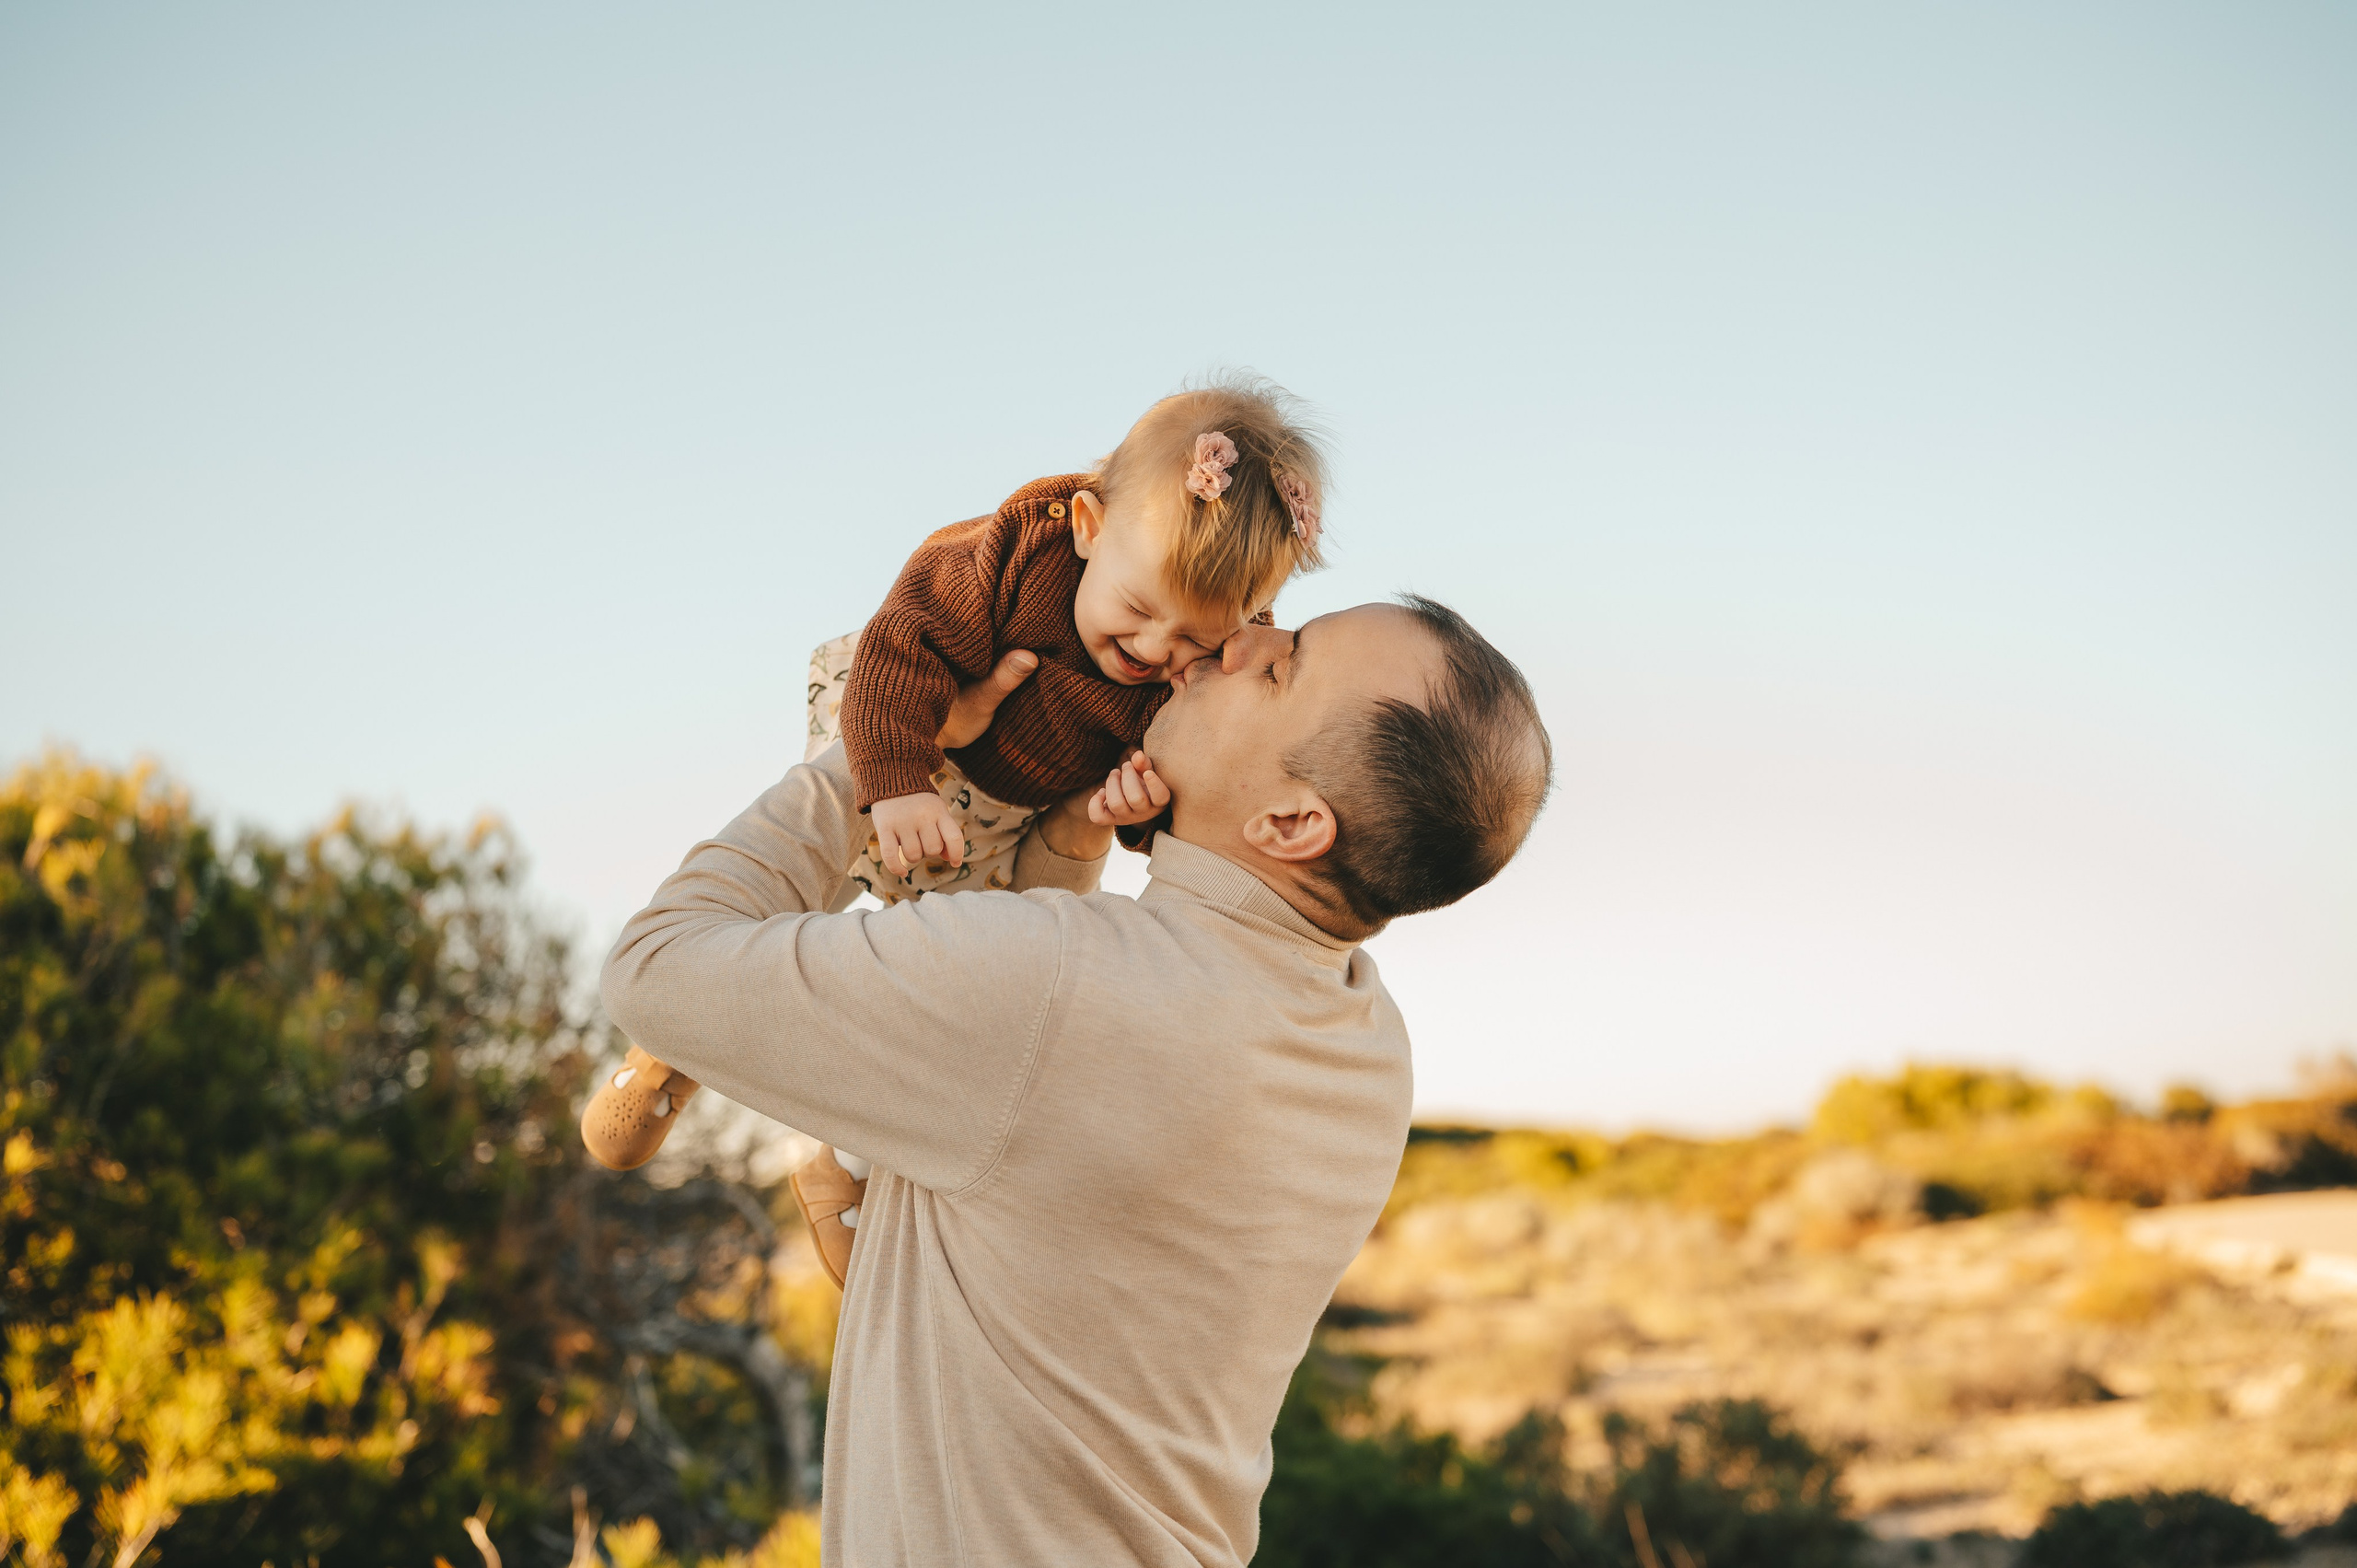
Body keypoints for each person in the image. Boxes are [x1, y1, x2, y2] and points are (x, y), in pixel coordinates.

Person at [601, 595, 1552, 1566]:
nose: (1242, 638)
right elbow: (1057, 1098)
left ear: (1294, 820)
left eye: (1281, 666)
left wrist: (884, 750)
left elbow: (656, 969)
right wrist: (1082, 824)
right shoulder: (1364, 1042)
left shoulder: (1059, 991)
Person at [582, 376, 1328, 1284]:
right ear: (1089, 527)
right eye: (1137, 611)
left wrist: (1137, 812)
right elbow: (905, 642)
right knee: (824, 870)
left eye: (1190, 641)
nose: (1154, 650)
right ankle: (671, 1043)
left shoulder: (1193, 662)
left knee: (936, 976)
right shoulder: (1012, 552)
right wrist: (895, 777)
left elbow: (1177, 765)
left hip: (1011, 813)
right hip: (903, 723)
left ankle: (842, 1157)